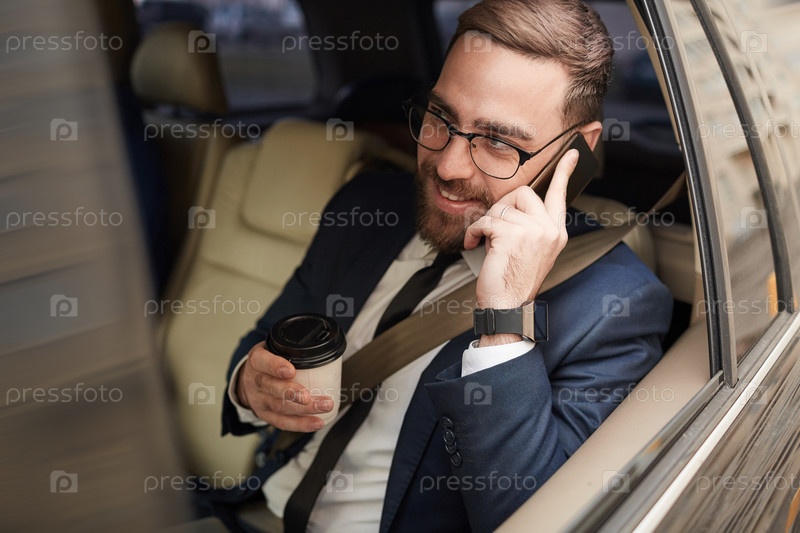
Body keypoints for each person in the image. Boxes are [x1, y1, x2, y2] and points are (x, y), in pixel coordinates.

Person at [221, 0, 672, 531]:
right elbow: (268, 339)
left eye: (499, 141)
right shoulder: (366, 205)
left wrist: (504, 320)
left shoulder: (615, 308)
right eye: (441, 118)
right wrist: (249, 386)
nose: (449, 166)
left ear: (578, 150)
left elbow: (525, 519)